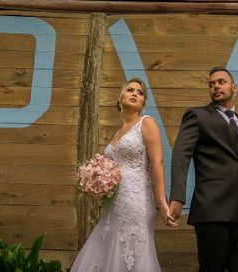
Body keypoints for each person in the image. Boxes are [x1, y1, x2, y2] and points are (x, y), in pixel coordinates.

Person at [169, 66, 238, 272]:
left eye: (221, 82)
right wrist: (178, 196)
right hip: (212, 212)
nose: (215, 86)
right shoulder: (197, 116)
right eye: (211, 84)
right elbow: (181, 155)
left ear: (234, 87)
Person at [71, 78, 176, 272]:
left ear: (143, 102)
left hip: (136, 202)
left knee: (132, 253)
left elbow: (158, 162)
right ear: (120, 98)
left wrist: (162, 202)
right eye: (130, 90)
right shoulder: (118, 133)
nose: (135, 93)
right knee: (107, 251)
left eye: (140, 92)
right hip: (114, 205)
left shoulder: (147, 123)